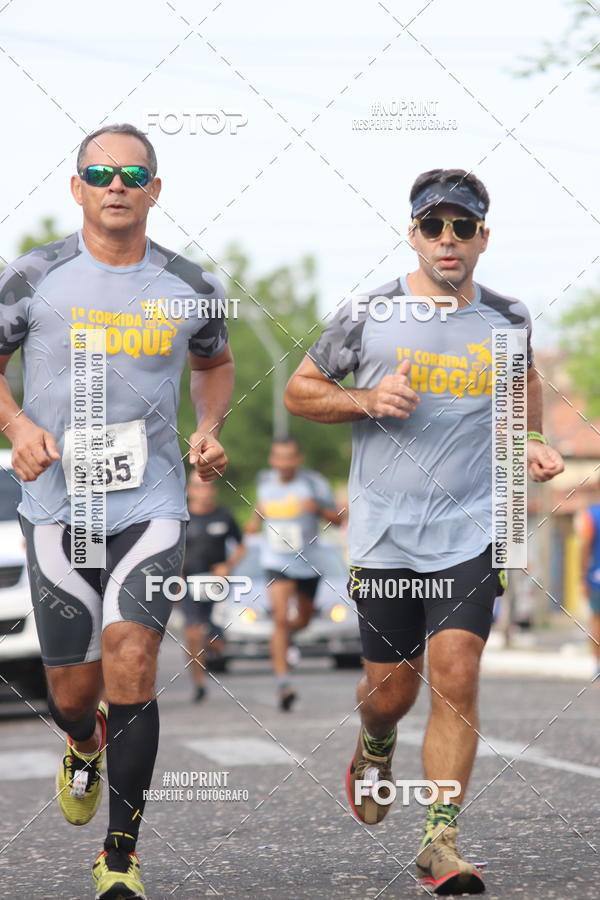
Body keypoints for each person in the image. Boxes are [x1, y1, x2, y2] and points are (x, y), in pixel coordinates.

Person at [284, 168, 564, 894]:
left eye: (462, 226)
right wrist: (368, 398)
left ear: (482, 238)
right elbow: (300, 392)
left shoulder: (508, 317)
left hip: (473, 527)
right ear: (413, 234)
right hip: (384, 535)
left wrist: (528, 437)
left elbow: (524, 384)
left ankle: (441, 840)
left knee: (459, 675)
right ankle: (375, 741)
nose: (448, 239)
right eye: (433, 226)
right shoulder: (365, 312)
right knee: (390, 692)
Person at [0, 123, 234, 899]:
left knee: (132, 659)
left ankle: (121, 857)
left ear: (154, 190)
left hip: (151, 499)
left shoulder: (191, 285)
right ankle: (81, 743)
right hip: (55, 504)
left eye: (134, 172)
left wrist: (208, 428)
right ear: (77, 188)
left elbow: (215, 362)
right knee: (74, 692)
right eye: (99, 171)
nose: (116, 183)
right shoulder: (32, 277)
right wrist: (17, 426)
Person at [246, 438, 344, 710]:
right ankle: (283, 683)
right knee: (279, 617)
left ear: (298, 459)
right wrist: (254, 522)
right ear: (272, 460)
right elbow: (261, 508)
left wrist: (319, 510)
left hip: (309, 563)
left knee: (302, 620)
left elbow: (338, 518)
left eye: (290, 457)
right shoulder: (265, 481)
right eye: (279, 457)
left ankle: (284, 640)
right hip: (276, 560)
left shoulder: (313, 483)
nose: (284, 463)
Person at [181, 471, 246, 702]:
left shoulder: (224, 516)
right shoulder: (182, 517)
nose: (203, 492)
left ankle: (214, 643)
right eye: (198, 487)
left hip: (217, 584)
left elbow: (241, 547)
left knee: (214, 638)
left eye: (207, 487)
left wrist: (227, 565)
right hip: (189, 583)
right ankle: (199, 682)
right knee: (192, 632)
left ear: (214, 490)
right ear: (189, 491)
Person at [576, 499, 600, 679]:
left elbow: (584, 546)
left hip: (596, 577)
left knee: (597, 621)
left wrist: (582, 577)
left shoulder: (591, 515)